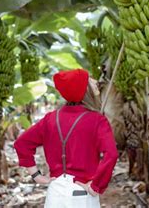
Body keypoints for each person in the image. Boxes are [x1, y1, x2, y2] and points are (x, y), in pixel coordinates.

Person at [14, 69, 118, 208]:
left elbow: (22, 143)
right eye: (90, 80)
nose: (95, 82)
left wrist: (36, 175)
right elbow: (111, 154)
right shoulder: (97, 120)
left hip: (55, 194)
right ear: (84, 90)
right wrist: (96, 186)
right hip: (82, 195)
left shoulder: (50, 119)